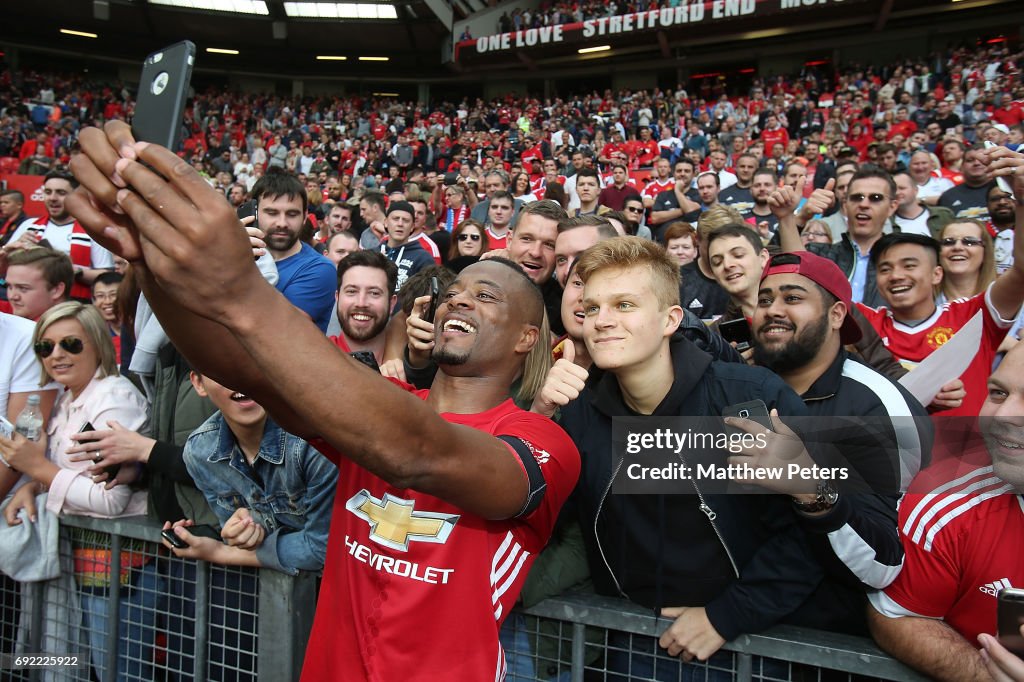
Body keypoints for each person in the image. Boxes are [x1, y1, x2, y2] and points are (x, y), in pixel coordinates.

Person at [66, 121, 581, 681]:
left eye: (485, 297)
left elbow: (418, 452)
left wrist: (240, 290)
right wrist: (154, 266)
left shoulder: (540, 443)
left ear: (527, 338)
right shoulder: (374, 402)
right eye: (453, 292)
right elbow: (243, 373)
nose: (460, 301)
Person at [541, 236, 818, 679]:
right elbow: (542, 518)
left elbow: (818, 524)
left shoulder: (750, 398)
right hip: (628, 638)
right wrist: (540, 421)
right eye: (591, 308)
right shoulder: (576, 416)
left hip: (752, 645)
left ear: (671, 319)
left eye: (624, 304)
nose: (602, 322)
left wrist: (727, 615)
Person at [747, 250, 931, 634]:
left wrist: (810, 490)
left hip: (825, 644)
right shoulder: (742, 384)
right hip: (734, 623)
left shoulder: (878, 406)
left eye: (793, 298)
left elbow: (881, 565)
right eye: (765, 300)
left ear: (836, 315)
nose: (772, 310)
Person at [0, 301, 157, 682]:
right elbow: (71, 470)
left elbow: (112, 497)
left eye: (71, 344)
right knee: (77, 669)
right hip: (83, 571)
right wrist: (34, 486)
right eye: (45, 347)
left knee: (118, 675)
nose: (57, 355)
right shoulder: (71, 398)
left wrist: (39, 471)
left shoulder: (112, 399)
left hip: (120, 576)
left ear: (98, 344)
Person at [867, 341, 1024, 681]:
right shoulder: (943, 507)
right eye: (997, 393)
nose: (1002, 416)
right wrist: (985, 675)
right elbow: (897, 617)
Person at [171, 371, 338, 574]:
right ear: (199, 383)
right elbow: (234, 534)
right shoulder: (200, 451)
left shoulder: (312, 441)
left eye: (250, 361)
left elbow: (324, 549)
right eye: (220, 368)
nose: (241, 377)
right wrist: (244, 530)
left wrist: (222, 553)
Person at [252, 169, 337, 333]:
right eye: (272, 213)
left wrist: (237, 264)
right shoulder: (237, 255)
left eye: (292, 214)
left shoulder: (321, 269)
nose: (282, 223)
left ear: (304, 217)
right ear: (254, 213)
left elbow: (280, 330)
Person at [8, 171, 114, 300]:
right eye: (48, 192)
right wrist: (15, 248)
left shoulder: (92, 229)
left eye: (61, 193)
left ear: (76, 196)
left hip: (74, 305)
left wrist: (75, 271)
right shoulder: (28, 226)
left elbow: (107, 276)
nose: (53, 198)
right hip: (30, 303)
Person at [327, 250, 398, 361]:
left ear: (392, 303)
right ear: (337, 297)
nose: (361, 303)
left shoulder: (410, 364)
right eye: (351, 291)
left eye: (374, 293)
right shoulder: (316, 357)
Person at [5, 247, 73, 320]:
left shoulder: (67, 328)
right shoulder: (24, 310)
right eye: (9, 287)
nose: (13, 296)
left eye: (23, 288)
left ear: (57, 290)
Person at [379, 200, 434, 292]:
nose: (400, 224)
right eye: (396, 219)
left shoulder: (423, 258)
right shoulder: (373, 254)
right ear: (386, 222)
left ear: (412, 226)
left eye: (406, 220)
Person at [938, 219, 996, 302]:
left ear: (985, 252)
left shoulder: (1003, 299)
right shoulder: (921, 302)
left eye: (969, 242)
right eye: (948, 242)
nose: (957, 247)